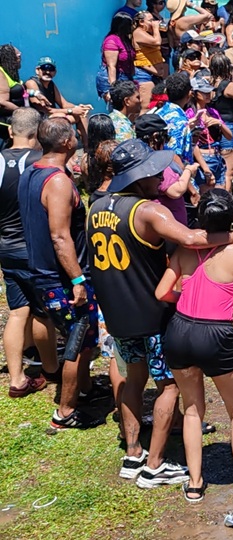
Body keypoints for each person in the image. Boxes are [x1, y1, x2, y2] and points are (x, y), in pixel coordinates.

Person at [155, 188, 233, 504]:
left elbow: (162, 292)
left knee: (192, 409)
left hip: (180, 330)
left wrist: (188, 301)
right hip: (216, 335)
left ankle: (194, 484)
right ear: (232, 218)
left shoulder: (183, 249)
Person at [18, 118, 101, 429]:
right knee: (77, 342)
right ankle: (65, 412)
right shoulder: (58, 182)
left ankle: (86, 389)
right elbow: (59, 235)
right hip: (61, 279)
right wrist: (78, 279)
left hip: (43, 273)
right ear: (67, 143)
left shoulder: (32, 172)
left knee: (85, 338)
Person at [0, 108, 57, 398]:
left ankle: (17, 378)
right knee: (42, 312)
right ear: (37, 134)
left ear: (11, 131)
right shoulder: (40, 163)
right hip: (33, 249)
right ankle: (50, 368)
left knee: (17, 311)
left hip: (6, 248)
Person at [208, 54, 233, 193]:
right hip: (228, 126)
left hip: (213, 125)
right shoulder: (228, 85)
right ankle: (226, 200)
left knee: (217, 166)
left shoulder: (208, 82)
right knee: (229, 170)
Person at [24, 57, 92, 120]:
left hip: (50, 117)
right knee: (62, 116)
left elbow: (64, 104)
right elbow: (44, 110)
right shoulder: (31, 83)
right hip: (38, 120)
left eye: (51, 69)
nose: (48, 72)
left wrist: (79, 108)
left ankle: (87, 133)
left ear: (55, 72)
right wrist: (71, 111)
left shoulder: (51, 84)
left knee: (82, 114)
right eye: (44, 68)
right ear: (37, 70)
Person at [154, 72, 194, 165]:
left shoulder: (158, 112)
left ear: (166, 92)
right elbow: (174, 156)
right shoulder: (179, 121)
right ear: (189, 94)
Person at [97, 13, 137, 100]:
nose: (132, 27)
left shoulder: (125, 39)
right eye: (129, 25)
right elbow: (111, 66)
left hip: (126, 76)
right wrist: (114, 88)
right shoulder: (111, 41)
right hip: (114, 77)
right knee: (117, 104)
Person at [133, 10, 167, 110]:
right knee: (146, 107)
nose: (153, 22)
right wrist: (156, 28)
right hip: (145, 75)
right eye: (150, 20)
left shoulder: (148, 33)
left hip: (155, 76)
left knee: (157, 106)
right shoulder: (138, 32)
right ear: (141, 22)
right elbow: (157, 42)